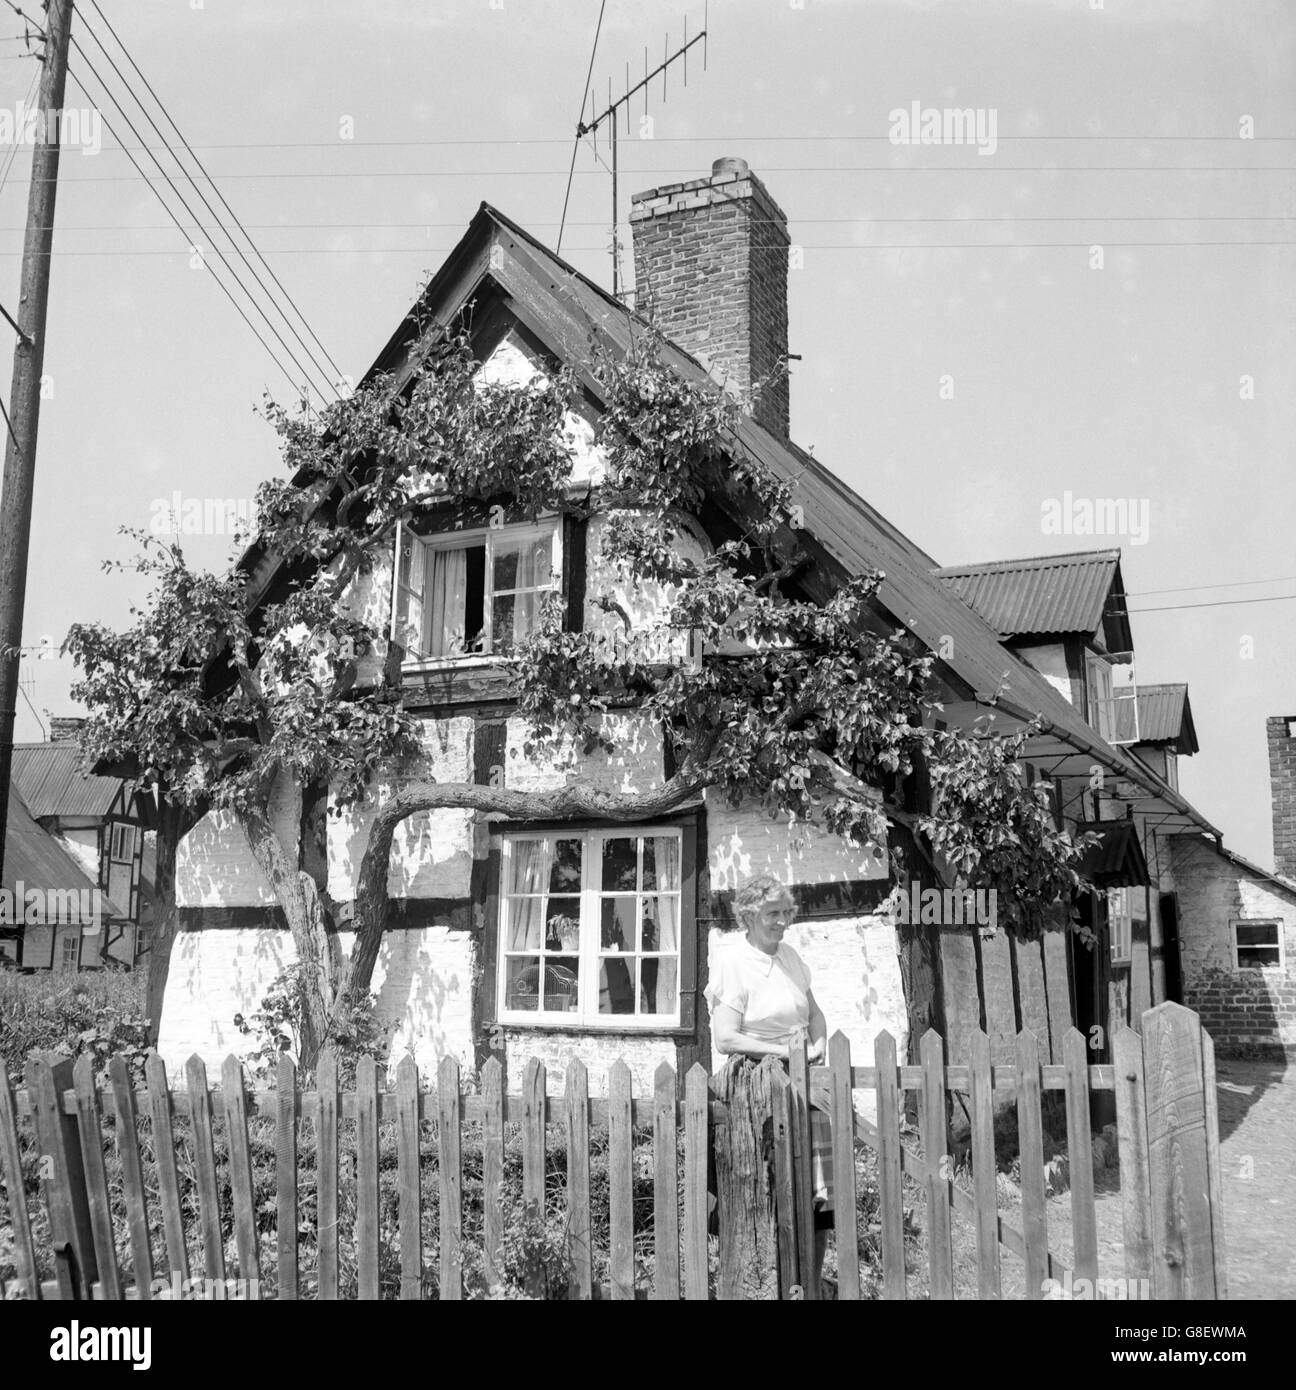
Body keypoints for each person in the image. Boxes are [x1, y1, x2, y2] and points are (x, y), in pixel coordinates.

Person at [705, 873, 834, 1291]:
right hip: (759, 1092)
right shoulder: (733, 962)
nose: (782, 921)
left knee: (820, 1201)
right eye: (772, 913)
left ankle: (809, 1287)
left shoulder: (792, 957)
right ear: (748, 916)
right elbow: (725, 1037)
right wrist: (785, 1053)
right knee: (770, 1196)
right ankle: (766, 1286)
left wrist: (817, 1042)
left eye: (786, 912)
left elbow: (812, 1011)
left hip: (807, 1085)